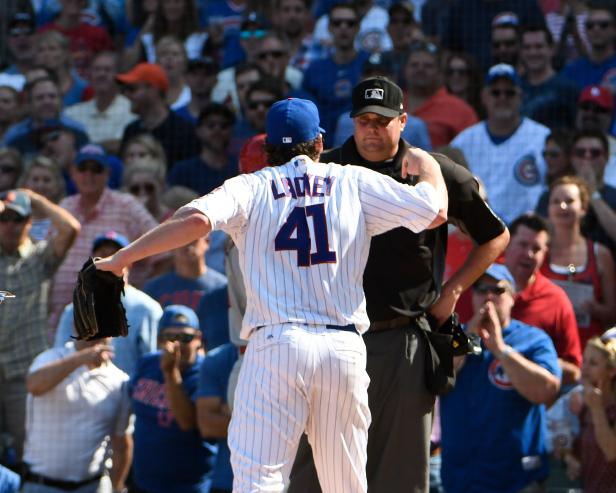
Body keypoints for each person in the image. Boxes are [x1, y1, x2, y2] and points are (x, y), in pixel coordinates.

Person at [95, 96, 448, 492]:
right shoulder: (351, 180)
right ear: (318, 143)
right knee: (346, 485)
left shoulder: (251, 185)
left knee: (259, 482)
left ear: (266, 149)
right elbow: (434, 211)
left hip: (276, 345)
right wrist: (429, 166)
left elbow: (194, 219)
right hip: (342, 346)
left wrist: (123, 258)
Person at [288, 77, 508, 493]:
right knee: (313, 476)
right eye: (364, 120)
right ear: (352, 122)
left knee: (400, 478)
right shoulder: (326, 171)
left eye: (383, 120)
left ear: (403, 120)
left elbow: (495, 235)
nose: (373, 129)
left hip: (402, 339)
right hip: (329, 338)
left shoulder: (434, 173)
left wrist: (453, 290)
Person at [440, 263, 561, 493]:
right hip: (462, 478)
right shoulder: (457, 337)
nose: (488, 296)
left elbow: (547, 392)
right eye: (480, 288)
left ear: (513, 297)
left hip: (517, 479)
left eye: (498, 290)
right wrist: (470, 339)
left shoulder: (533, 339)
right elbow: (434, 383)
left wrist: (501, 349)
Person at [0, 189, 80, 463]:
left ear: (29, 222)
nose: (10, 226)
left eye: (18, 219)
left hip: (24, 372)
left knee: (29, 452)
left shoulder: (39, 257)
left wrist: (33, 198)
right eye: (5, 219)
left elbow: (70, 228)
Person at [49, 143, 159, 334]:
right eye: (83, 169)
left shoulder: (126, 205)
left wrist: (137, 292)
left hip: (114, 319)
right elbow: (46, 259)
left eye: (96, 169)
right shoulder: (64, 207)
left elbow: (163, 253)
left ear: (107, 173)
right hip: (61, 318)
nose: (89, 175)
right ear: (73, 172)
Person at [23, 336, 132, 493]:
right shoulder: (49, 358)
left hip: (93, 486)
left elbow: (121, 442)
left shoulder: (119, 381)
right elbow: (35, 385)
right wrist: (81, 358)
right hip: (43, 485)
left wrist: (117, 486)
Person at [451, 63, 550, 224]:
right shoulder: (464, 141)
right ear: (483, 96)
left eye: (509, 93)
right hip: (477, 231)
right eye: (495, 93)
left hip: (526, 233)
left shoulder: (542, 137)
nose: (502, 98)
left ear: (521, 96)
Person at [53, 231, 162, 377]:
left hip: (126, 393)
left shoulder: (147, 309)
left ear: (129, 263)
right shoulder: (73, 310)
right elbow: (60, 357)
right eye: (102, 255)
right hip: (79, 391)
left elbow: (153, 365)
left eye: (115, 255)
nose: (108, 260)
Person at [129, 304, 211, 493]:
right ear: (159, 340)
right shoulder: (146, 363)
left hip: (187, 486)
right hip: (142, 483)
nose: (178, 344)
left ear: (198, 339)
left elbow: (187, 422)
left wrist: (170, 372)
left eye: (185, 337)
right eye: (170, 337)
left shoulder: (206, 371)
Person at [504, 213, 582, 384]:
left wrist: (531, 361)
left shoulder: (556, 301)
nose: (529, 254)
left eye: (536, 248)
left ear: (545, 253)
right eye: (523, 245)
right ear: (506, 245)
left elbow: (574, 371)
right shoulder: (478, 288)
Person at [542, 176, 616, 348]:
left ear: (583, 208)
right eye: (556, 201)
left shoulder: (600, 254)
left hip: (588, 352)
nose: (562, 206)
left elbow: (612, 313)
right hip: (547, 347)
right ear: (548, 208)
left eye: (569, 201)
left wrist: (594, 309)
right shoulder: (539, 252)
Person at [143, 231, 228, 350]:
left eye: (193, 238)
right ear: (171, 246)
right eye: (180, 239)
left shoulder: (223, 287)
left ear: (207, 242)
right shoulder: (153, 288)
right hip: (166, 358)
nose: (187, 244)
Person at [301, 3, 369, 145]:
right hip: (323, 145)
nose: (343, 27)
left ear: (358, 28)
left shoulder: (370, 65)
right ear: (329, 27)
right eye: (337, 23)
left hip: (362, 143)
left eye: (350, 23)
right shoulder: (314, 70)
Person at [117, 63, 200, 168]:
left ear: (153, 90)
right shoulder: (131, 131)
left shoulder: (184, 131)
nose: (127, 95)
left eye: (132, 89)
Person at [565, 328, 616, 492]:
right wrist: (570, 458)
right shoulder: (585, 402)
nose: (584, 369)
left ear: (612, 370)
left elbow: (611, 452)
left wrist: (596, 409)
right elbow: (580, 448)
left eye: (593, 364)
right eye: (584, 361)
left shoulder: (595, 406)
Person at [403, 41, 478, 147]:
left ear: (440, 72)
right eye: (414, 65)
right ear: (405, 69)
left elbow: (472, 151)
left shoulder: (460, 110)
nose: (420, 69)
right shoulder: (390, 101)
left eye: (428, 66)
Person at [65, 51, 137, 155]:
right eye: (96, 70)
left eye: (107, 70)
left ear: (118, 76)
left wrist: (86, 146)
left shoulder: (132, 111)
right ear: (89, 76)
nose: (101, 74)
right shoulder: (72, 114)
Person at [168, 103, 238, 196]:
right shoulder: (182, 172)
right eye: (211, 125)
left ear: (231, 130)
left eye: (223, 126)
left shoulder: (240, 169)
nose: (217, 130)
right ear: (198, 131)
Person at [519, 24, 579, 129]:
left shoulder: (568, 89)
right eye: (527, 47)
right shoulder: (514, 87)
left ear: (551, 49)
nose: (533, 52)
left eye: (539, 46)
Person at [561, 5, 616, 90]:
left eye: (603, 25)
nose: (596, 29)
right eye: (590, 26)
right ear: (585, 31)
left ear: (614, 30)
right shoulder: (572, 71)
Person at [33, 30, 89, 107]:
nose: (46, 54)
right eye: (41, 50)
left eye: (52, 49)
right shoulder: (32, 85)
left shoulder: (83, 88)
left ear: (65, 53)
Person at [18, 156, 66, 241]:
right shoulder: (14, 218)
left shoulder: (65, 216)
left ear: (58, 184)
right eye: (35, 180)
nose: (40, 185)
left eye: (46, 180)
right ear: (25, 183)